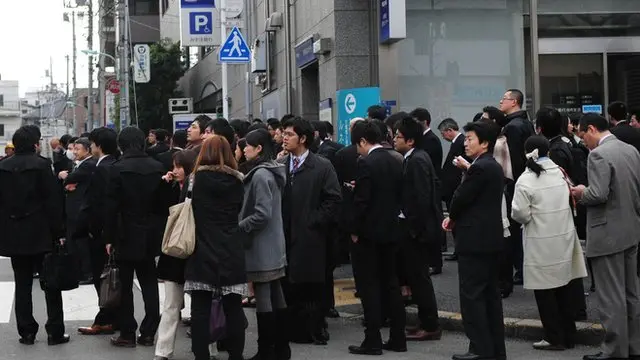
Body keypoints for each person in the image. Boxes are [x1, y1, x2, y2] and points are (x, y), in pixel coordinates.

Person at [570, 113, 640, 360]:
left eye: (581, 135)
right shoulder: (630, 150)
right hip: (631, 228)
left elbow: (598, 194)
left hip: (606, 230)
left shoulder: (598, 154)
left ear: (590, 129)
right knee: (631, 292)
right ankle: (633, 346)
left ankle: (614, 350)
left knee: (611, 296)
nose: (583, 141)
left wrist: (580, 192)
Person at [511, 136, 587, 351]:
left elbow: (519, 213)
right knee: (564, 286)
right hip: (563, 236)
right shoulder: (559, 172)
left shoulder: (526, 179)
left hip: (539, 239)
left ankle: (554, 337)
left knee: (544, 291)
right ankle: (569, 334)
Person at [442, 121, 506, 360]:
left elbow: (459, 198)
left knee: (473, 297)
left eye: (470, 139)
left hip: (475, 240)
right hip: (489, 239)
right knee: (489, 297)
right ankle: (494, 350)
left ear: (485, 143)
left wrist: (452, 217)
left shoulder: (479, 168)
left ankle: (479, 349)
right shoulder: (490, 166)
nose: (465, 143)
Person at [0, 126, 67, 346]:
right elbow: (52, 202)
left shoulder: (3, 167)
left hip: (14, 233)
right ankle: (54, 331)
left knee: (22, 284)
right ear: (35, 144)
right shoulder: (41, 165)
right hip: (41, 232)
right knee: (50, 283)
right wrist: (59, 232)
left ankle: (26, 332)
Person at [279, 116, 341, 345]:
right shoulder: (281, 166)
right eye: (283, 134)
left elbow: (333, 200)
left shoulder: (322, 166)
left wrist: (313, 221)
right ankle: (292, 331)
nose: (284, 138)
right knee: (289, 286)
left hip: (311, 237)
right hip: (285, 236)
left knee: (312, 286)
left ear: (303, 138)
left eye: (289, 135)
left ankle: (316, 329)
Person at [104, 127, 168, 348]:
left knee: (124, 284)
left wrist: (109, 237)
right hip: (151, 232)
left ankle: (127, 332)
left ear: (121, 145)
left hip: (124, 232)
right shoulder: (158, 167)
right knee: (149, 281)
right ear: (142, 143)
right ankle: (149, 331)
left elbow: (110, 207)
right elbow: (164, 206)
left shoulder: (116, 169)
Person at [185, 135, 248, 360]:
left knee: (200, 309)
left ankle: (200, 354)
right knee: (233, 308)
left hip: (202, 245)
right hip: (231, 246)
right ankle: (236, 355)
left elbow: (187, 207)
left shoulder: (196, 180)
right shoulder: (238, 180)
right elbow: (240, 209)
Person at [348, 121, 406, 355]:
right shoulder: (396, 159)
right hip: (392, 230)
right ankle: (398, 338)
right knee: (391, 284)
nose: (357, 150)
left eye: (357, 145)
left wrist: (353, 229)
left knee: (369, 286)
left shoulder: (366, 163)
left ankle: (372, 339)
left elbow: (362, 202)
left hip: (369, 234)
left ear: (363, 141)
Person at [238, 129, 290, 360]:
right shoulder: (273, 171)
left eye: (247, 146)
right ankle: (281, 348)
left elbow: (261, 214)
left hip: (260, 245)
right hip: (274, 243)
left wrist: (239, 226)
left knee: (263, 294)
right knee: (275, 291)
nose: (244, 149)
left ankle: (266, 349)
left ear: (259, 148)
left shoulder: (260, 175)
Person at [393, 115, 442, 342]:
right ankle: (424, 322)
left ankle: (430, 325)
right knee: (416, 278)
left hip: (417, 233)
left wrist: (413, 228)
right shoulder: (411, 158)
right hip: (413, 230)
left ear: (411, 141)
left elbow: (422, 200)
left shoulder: (418, 161)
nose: (394, 139)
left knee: (420, 280)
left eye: (398, 136)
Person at [154, 150, 198, 360]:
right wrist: (164, 185)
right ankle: (163, 351)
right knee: (171, 305)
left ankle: (209, 346)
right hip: (174, 251)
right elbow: (159, 210)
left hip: (193, 249)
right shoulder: (171, 187)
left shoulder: (198, 186)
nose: (175, 171)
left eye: (179, 166)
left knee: (202, 304)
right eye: (173, 166)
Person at [77, 127, 120, 336]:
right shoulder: (115, 165)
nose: (91, 147)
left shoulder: (102, 168)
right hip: (113, 231)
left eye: (92, 144)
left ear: (99, 146)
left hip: (101, 232)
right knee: (112, 277)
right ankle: (113, 317)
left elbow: (99, 204)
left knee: (102, 278)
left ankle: (105, 318)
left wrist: (94, 230)